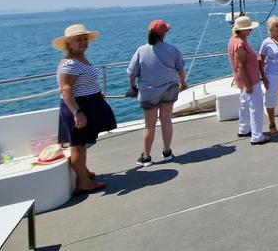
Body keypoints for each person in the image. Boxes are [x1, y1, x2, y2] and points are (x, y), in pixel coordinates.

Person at [53, 24, 117, 194]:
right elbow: (65, 90)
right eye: (77, 40)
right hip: (79, 106)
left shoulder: (81, 59)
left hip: (90, 103)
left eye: (84, 39)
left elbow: (84, 82)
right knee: (78, 146)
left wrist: (98, 94)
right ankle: (84, 183)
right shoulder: (70, 63)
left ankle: (85, 173)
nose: (82, 42)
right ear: (69, 44)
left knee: (83, 142)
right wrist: (77, 112)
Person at [127, 19, 187, 167]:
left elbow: (131, 73)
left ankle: (146, 157)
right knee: (166, 120)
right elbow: (180, 69)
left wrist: (133, 87)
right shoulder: (172, 49)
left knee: (149, 125)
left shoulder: (141, 51)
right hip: (169, 89)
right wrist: (183, 83)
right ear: (164, 34)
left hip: (148, 92)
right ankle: (167, 152)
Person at [229, 16, 269, 145]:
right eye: (248, 29)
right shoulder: (240, 44)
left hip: (244, 80)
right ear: (241, 30)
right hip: (250, 80)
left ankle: (244, 128)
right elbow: (240, 65)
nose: (250, 31)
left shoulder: (235, 41)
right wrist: (248, 85)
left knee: (244, 104)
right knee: (255, 107)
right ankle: (257, 135)